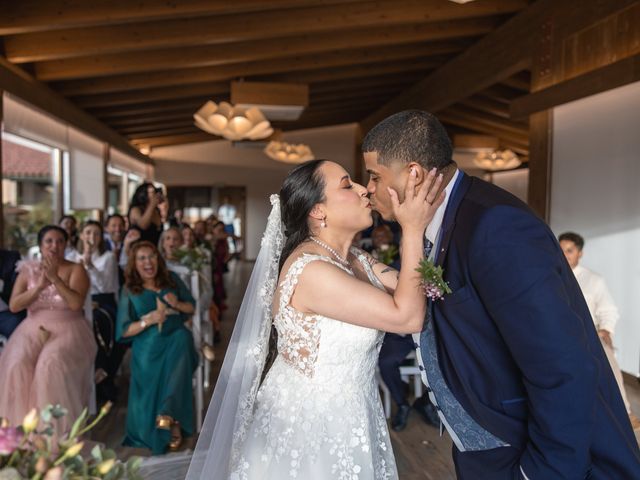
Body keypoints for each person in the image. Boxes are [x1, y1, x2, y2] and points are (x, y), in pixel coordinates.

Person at [362, 110, 640, 479]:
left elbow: (563, 365)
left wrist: (539, 472)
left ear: (413, 174)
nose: (368, 187)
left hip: (529, 455)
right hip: (484, 450)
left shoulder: (495, 226)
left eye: (374, 176)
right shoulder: (441, 220)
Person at [185, 159, 444, 479]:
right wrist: (413, 229)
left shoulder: (354, 257)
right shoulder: (313, 271)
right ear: (318, 211)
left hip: (352, 412)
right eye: (348, 185)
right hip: (313, 421)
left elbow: (415, 286)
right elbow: (408, 317)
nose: (364, 190)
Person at [0, 226, 96, 435]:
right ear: (41, 246)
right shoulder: (28, 269)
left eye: (60, 241)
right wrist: (39, 286)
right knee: (16, 363)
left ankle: (54, 435)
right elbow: (15, 305)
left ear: (66, 244)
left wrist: (55, 279)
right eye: (49, 241)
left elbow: (75, 305)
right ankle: (19, 432)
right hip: (33, 326)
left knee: (48, 365)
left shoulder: (76, 269)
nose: (54, 246)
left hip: (69, 327)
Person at [116, 241, 197, 454]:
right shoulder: (129, 290)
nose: (147, 262)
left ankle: (167, 413)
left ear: (158, 259)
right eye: (141, 258)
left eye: (151, 256)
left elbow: (191, 307)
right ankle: (172, 419)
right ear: (134, 263)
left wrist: (176, 304)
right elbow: (124, 330)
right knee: (176, 354)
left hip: (176, 337)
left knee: (181, 339)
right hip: (148, 344)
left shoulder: (171, 279)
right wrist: (147, 321)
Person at [559, 232, 639, 429]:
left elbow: (608, 310)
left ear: (580, 253)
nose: (565, 254)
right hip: (559, 331)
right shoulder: (552, 276)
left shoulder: (594, 280)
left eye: (570, 250)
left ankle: (626, 412)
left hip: (589, 333)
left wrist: (606, 330)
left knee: (609, 361)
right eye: (561, 250)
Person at [68, 220, 123, 403]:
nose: (92, 237)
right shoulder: (72, 257)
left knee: (98, 323)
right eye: (88, 233)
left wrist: (90, 264)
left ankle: (102, 373)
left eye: (96, 234)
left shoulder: (108, 257)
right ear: (82, 235)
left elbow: (105, 285)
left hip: (103, 301)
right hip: (79, 301)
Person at [0, 249, 26, 338]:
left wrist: (2, 285)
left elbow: (21, 289)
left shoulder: (11, 257)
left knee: (16, 325)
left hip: (6, 313)